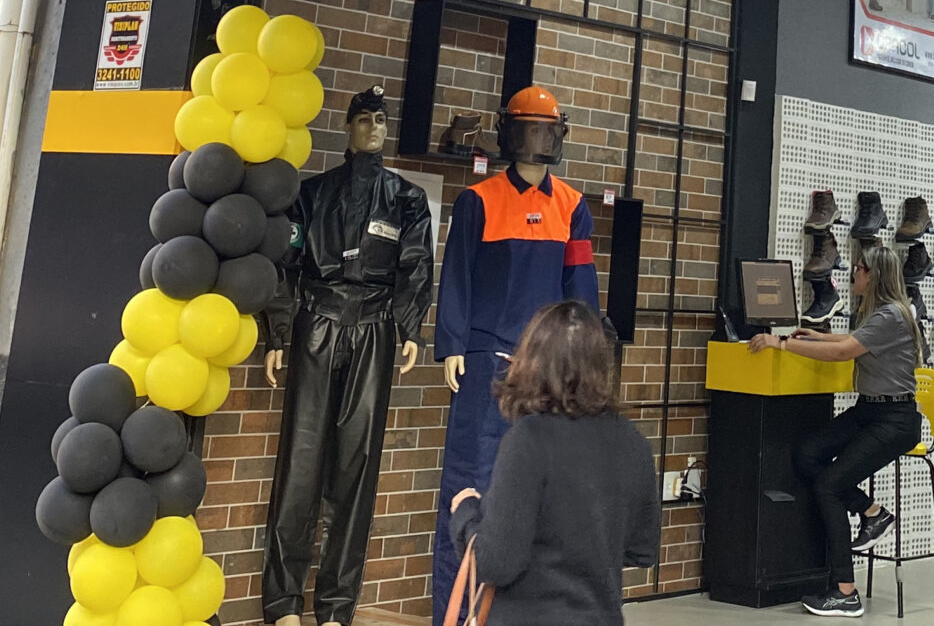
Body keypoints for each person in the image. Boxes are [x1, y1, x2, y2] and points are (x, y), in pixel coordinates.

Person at [259, 85, 433, 626]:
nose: (373, 128)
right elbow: (286, 263)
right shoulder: (312, 194)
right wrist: (278, 334)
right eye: (364, 119)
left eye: (380, 120)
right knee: (301, 461)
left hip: (375, 328)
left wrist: (409, 328)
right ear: (348, 126)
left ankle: (336, 608)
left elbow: (416, 265)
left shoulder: (406, 199)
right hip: (317, 321)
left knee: (356, 468)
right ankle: (283, 603)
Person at [432, 85, 599, 622]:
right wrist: (452, 344)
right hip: (484, 361)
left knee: (542, 495)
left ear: (559, 135)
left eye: (546, 130)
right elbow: (456, 276)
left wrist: (583, 355)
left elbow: (580, 285)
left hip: (547, 367)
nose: (537, 140)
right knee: (469, 489)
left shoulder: (572, 205)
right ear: (509, 132)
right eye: (529, 129)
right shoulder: (478, 200)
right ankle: (456, 615)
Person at [447, 301, 659, 625]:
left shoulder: (529, 440)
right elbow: (643, 550)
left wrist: (466, 513)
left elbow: (495, 562)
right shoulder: (634, 443)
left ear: (533, 360)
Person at [749, 240, 923, 618]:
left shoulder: (892, 315)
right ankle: (871, 511)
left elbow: (845, 352)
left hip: (894, 419)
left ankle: (845, 592)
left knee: (828, 485)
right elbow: (848, 342)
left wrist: (782, 344)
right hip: (870, 411)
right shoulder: (878, 314)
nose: (853, 274)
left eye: (859, 269)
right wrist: (817, 337)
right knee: (807, 453)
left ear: (873, 275)